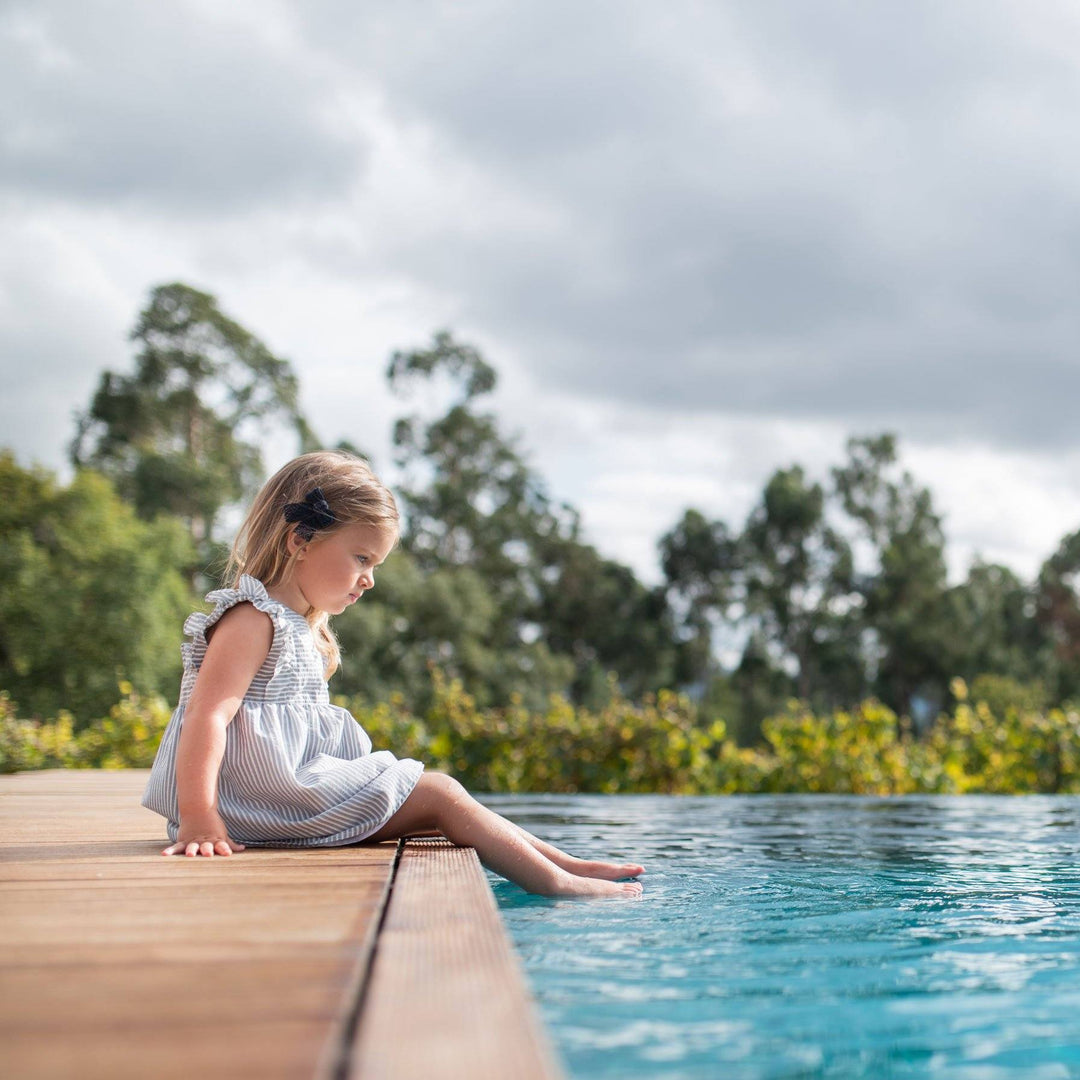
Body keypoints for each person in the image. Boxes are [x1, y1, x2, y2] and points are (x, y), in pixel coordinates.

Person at [142, 451, 644, 898]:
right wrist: (200, 817)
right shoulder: (252, 619)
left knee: (438, 802)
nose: (369, 579)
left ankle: (561, 862)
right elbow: (207, 715)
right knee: (439, 794)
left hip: (281, 798)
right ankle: (556, 883)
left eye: (376, 564)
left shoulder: (294, 624)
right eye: (362, 558)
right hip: (253, 806)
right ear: (300, 540)